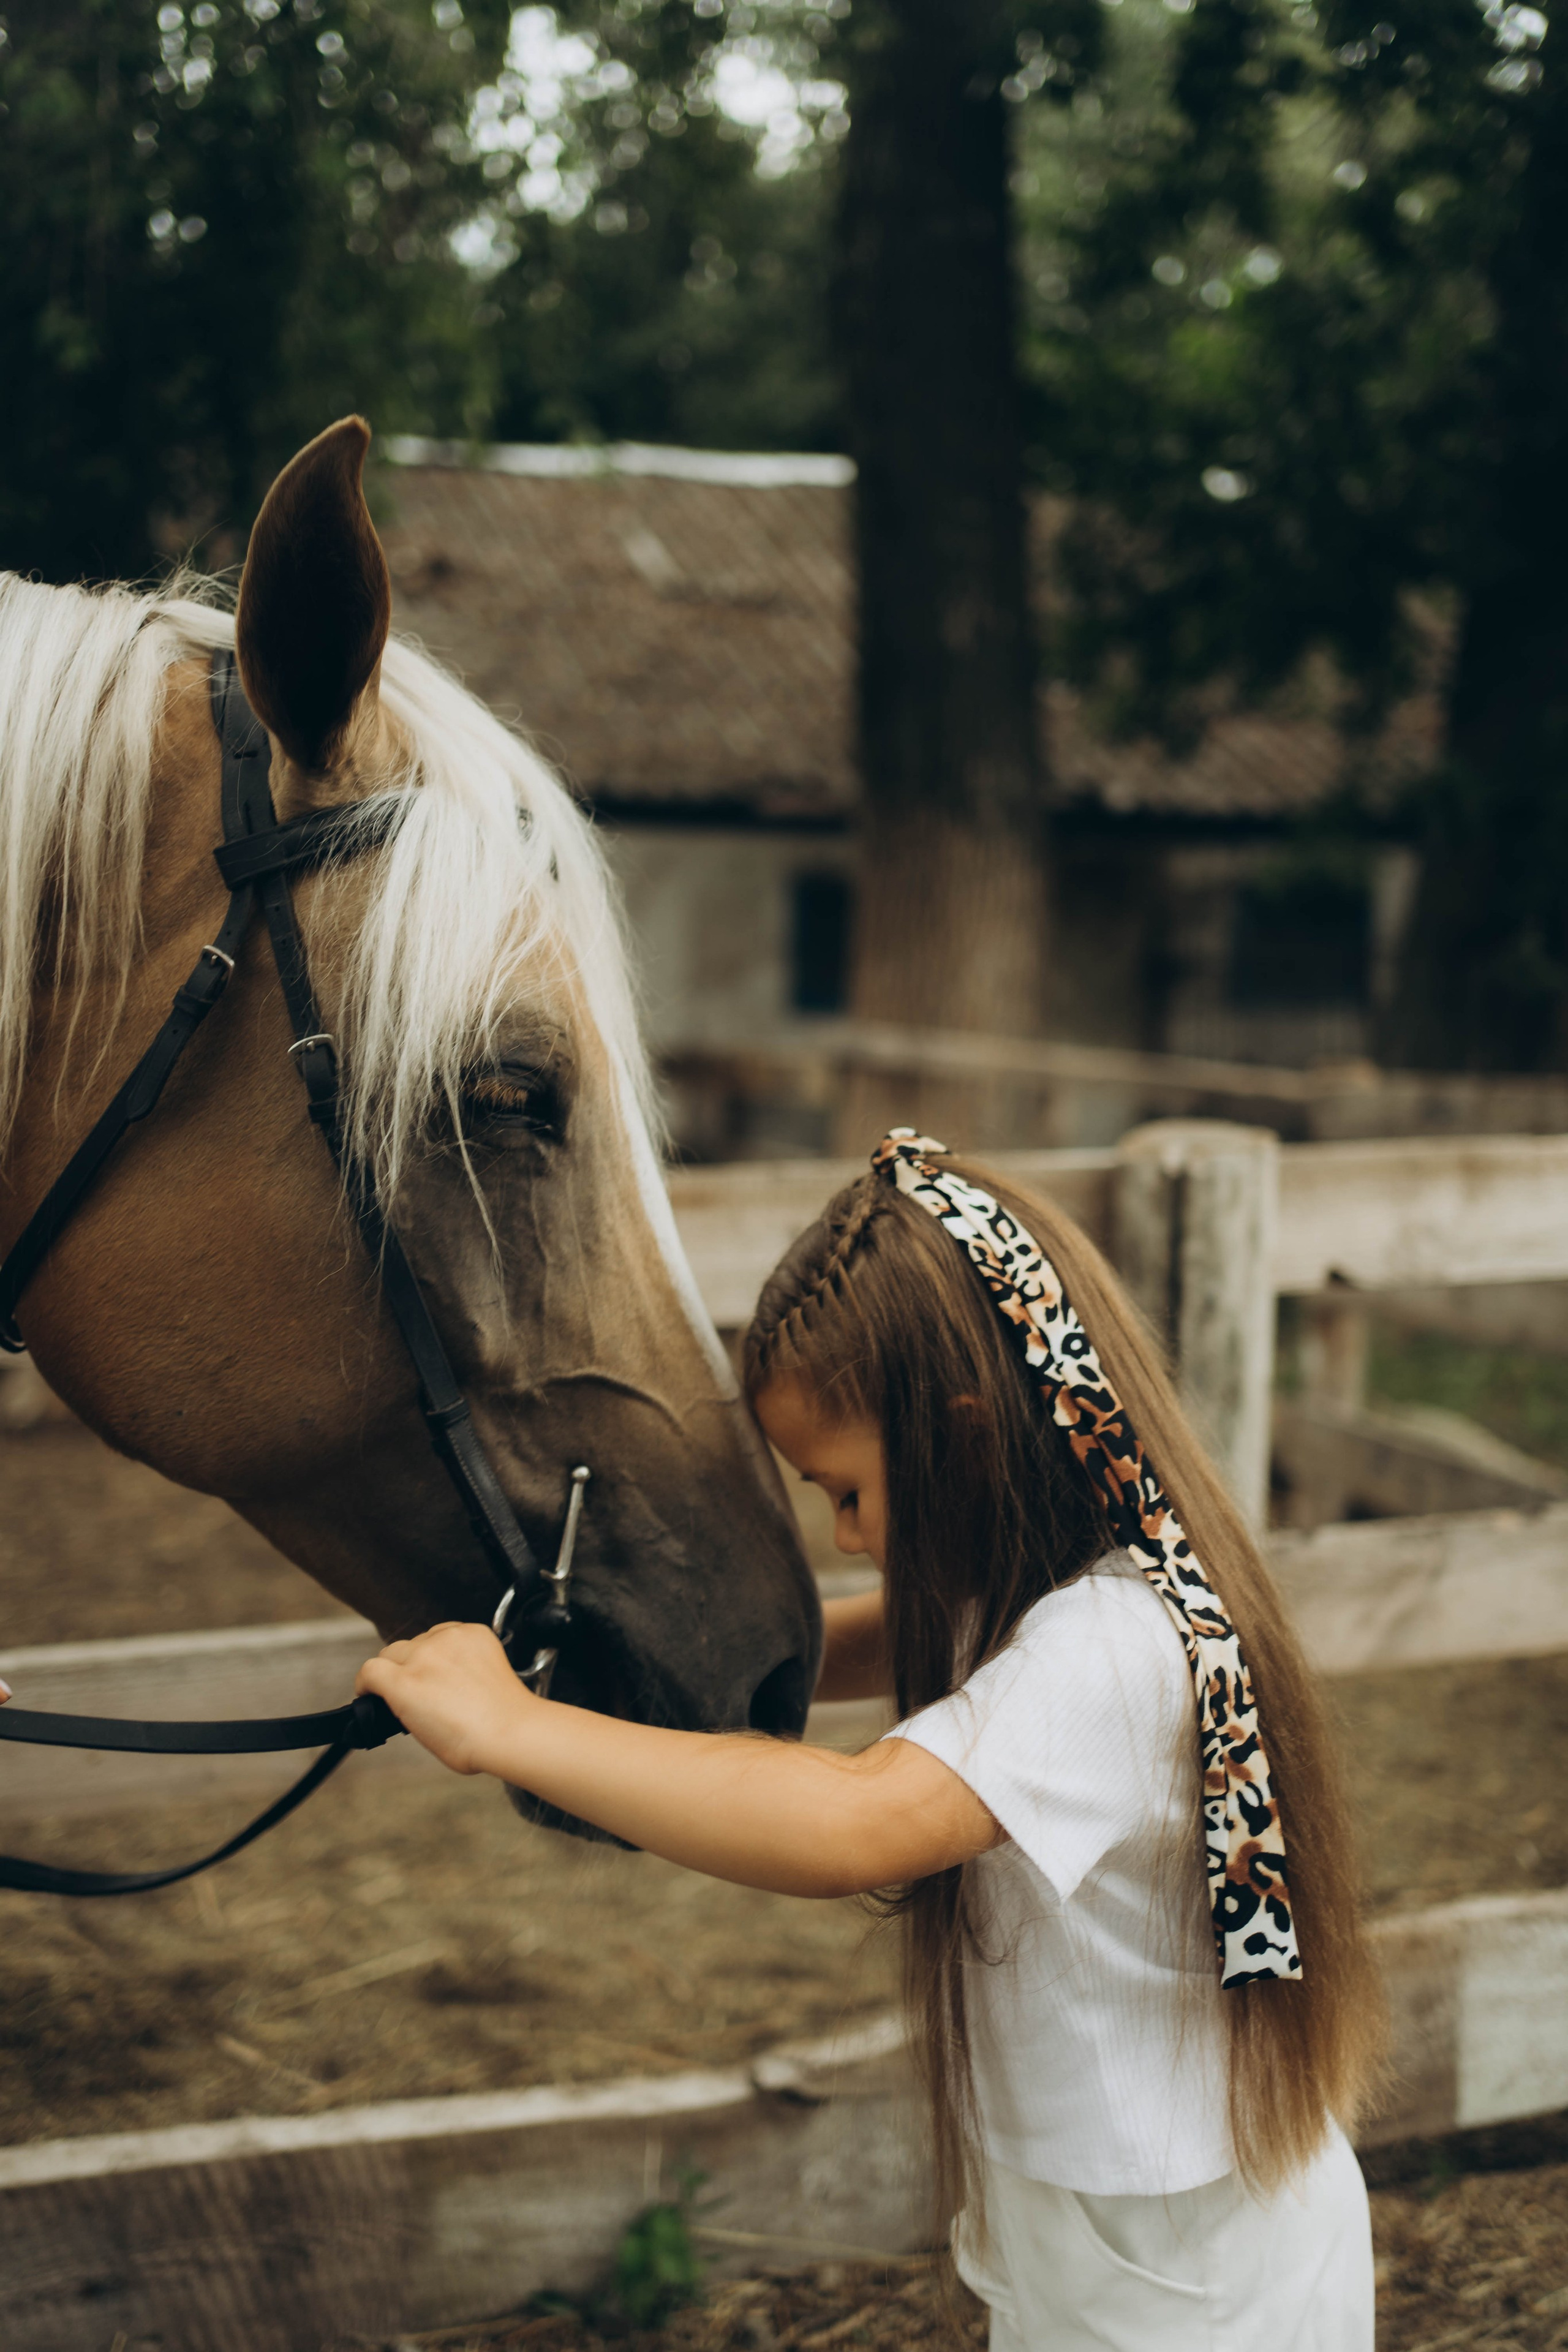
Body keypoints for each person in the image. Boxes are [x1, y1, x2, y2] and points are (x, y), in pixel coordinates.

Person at [358, 1133, 1385, 2349]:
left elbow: (858, 1822)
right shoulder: (1059, 1586)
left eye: (844, 1492)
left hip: (1186, 2286)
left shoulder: (1108, 1649)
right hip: (1130, 2238)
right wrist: (644, 1656)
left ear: (957, 1438)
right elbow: (861, 1636)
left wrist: (517, 1731)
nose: (843, 1537)